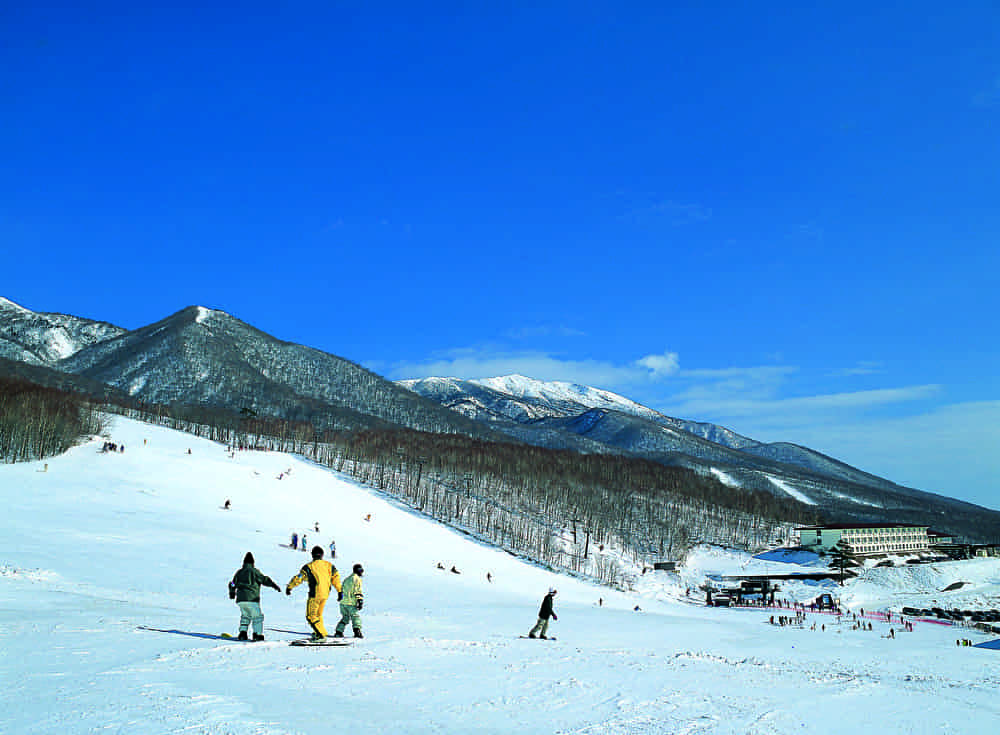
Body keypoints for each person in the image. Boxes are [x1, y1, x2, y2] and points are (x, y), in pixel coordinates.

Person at [286, 546, 342, 642]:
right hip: (325, 594)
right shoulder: (329, 565)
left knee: (311, 616)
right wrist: (340, 591)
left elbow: (299, 578)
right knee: (318, 614)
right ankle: (321, 632)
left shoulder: (308, 567)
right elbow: (336, 578)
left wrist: (290, 586)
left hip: (315, 593)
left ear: (312, 555)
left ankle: (320, 635)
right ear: (322, 555)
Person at [229, 552, 281, 641]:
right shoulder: (254, 571)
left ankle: (242, 633)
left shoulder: (239, 572)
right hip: (252, 598)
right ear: (253, 562)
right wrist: (274, 585)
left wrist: (232, 592)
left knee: (245, 616)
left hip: (241, 599)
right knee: (257, 617)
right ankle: (257, 634)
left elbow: (232, 583)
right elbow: (264, 579)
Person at [334, 563, 365, 639]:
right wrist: (360, 601)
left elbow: (341, 589)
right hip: (351, 603)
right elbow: (357, 591)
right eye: (361, 571)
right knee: (355, 617)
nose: (362, 573)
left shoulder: (347, 579)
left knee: (345, 617)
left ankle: (338, 631)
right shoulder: (357, 579)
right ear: (358, 571)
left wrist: (340, 598)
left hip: (343, 603)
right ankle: (357, 632)